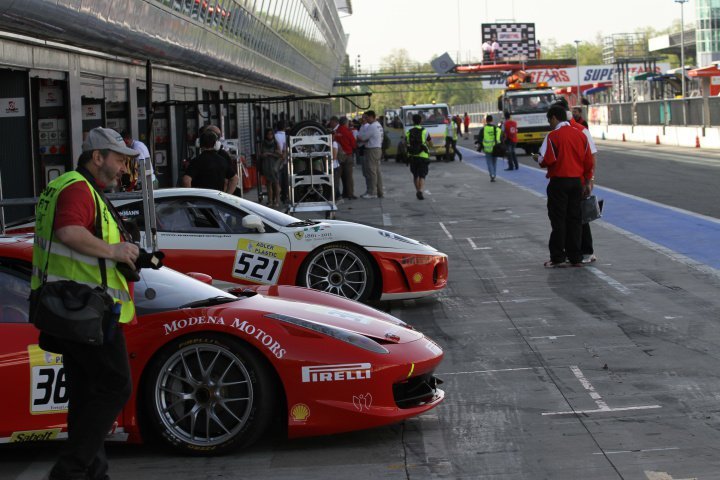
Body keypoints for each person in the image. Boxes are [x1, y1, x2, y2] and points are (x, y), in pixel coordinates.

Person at [31, 127, 140, 480]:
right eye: (120, 160)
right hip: (86, 309)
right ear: (97, 158)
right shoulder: (79, 189)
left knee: (86, 392)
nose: (124, 168)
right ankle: (70, 470)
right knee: (115, 385)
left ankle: (91, 472)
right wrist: (113, 250)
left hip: (69, 308)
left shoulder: (70, 186)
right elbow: (68, 232)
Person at [534, 105, 594, 268]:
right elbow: (589, 160)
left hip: (559, 182)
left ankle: (558, 257)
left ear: (554, 118)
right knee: (575, 219)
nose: (549, 124)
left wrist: (537, 159)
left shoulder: (553, 136)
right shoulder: (580, 134)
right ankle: (576, 257)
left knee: (558, 220)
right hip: (577, 182)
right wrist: (588, 181)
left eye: (549, 120)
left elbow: (546, 159)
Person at [356, 110, 384, 199]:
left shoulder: (372, 126)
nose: (365, 119)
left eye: (366, 117)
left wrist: (357, 137)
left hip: (372, 150)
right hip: (377, 148)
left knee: (371, 172)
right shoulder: (378, 125)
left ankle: (372, 192)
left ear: (371, 116)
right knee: (377, 171)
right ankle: (380, 191)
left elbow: (362, 137)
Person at [406, 114, 433, 200]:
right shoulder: (425, 131)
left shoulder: (409, 131)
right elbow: (430, 143)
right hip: (423, 156)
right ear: (421, 121)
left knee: (415, 175)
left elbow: (407, 143)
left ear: (413, 121)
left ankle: (417, 191)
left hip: (413, 156)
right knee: (422, 175)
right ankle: (420, 191)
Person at [332, 116, 357, 199]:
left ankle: (336, 194)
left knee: (337, 177)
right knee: (348, 176)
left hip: (338, 156)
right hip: (348, 156)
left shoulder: (336, 132)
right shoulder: (348, 132)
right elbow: (353, 144)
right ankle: (349, 194)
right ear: (346, 123)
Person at [258, 128, 282, 207]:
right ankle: (270, 200)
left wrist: (269, 153)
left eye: (271, 134)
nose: (270, 136)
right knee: (268, 183)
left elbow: (279, 155)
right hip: (266, 165)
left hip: (274, 165)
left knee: (276, 183)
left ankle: (277, 201)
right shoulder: (263, 143)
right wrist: (263, 155)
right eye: (268, 134)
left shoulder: (275, 143)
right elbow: (260, 154)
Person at [478, 114, 502, 182]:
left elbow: (479, 139)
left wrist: (482, 145)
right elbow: (500, 138)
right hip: (495, 148)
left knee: (489, 163)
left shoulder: (483, 129)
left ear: (486, 121)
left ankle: (492, 175)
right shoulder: (496, 129)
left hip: (487, 149)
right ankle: (494, 175)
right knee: (494, 162)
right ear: (492, 120)